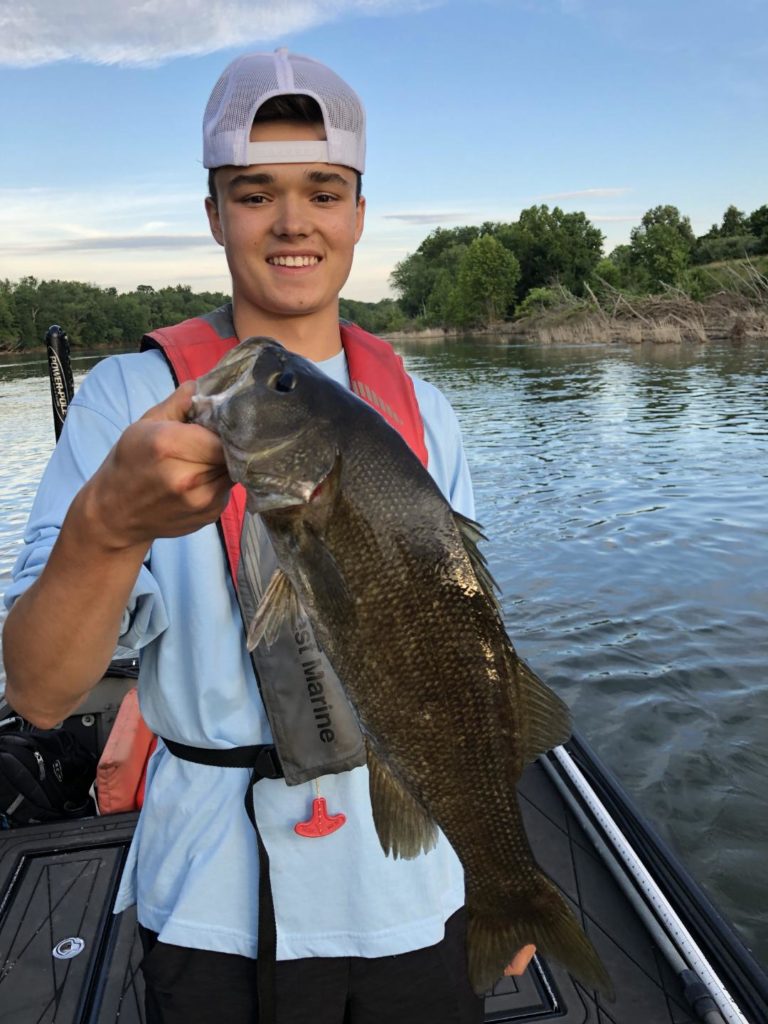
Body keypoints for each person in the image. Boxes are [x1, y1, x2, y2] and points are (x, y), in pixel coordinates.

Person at [2, 48, 532, 1023]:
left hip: (412, 891)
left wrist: (506, 868)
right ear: (215, 214)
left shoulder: (424, 407)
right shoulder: (133, 398)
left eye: (323, 190)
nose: (293, 221)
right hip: (215, 900)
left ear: (358, 213)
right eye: (256, 193)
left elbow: (467, 657)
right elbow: (40, 692)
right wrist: (107, 527)